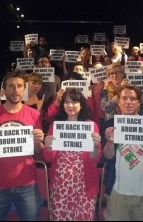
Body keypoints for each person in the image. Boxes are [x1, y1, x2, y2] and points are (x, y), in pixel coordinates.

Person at [0, 69, 45, 221]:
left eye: (20, 86)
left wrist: (38, 141)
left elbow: (39, 150)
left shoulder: (34, 115)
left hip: (27, 183)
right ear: (4, 89)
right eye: (11, 86)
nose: (16, 90)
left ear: (24, 88)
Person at [101, 83, 143, 221]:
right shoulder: (110, 125)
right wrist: (110, 142)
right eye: (124, 98)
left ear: (139, 103)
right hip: (117, 192)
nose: (128, 102)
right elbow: (106, 157)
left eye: (132, 99)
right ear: (118, 103)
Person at [43, 88, 102, 221]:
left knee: (84, 216)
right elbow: (49, 158)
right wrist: (48, 147)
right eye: (67, 102)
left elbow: (95, 158)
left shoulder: (91, 126)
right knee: (60, 216)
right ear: (62, 104)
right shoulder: (56, 126)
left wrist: (94, 146)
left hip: (84, 181)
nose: (70, 105)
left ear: (81, 105)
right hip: (61, 181)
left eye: (74, 102)